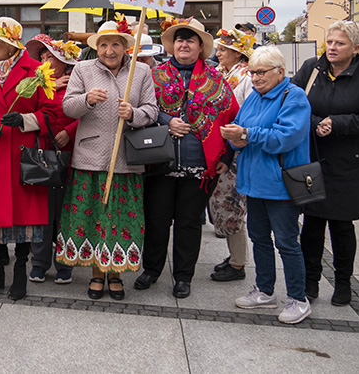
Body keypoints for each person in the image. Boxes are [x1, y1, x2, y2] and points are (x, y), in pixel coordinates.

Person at [136, 18, 238, 299]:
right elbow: (143, 108)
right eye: (179, 39)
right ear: (172, 45)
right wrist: (167, 121)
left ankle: (183, 277)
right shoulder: (153, 76)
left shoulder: (217, 80)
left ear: (200, 48)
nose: (183, 44)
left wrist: (227, 157)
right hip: (159, 162)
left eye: (190, 40)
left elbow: (231, 118)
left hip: (199, 166)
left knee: (189, 223)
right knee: (156, 220)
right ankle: (151, 270)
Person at [55, 21, 157, 300]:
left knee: (120, 220)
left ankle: (116, 274)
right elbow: (68, 107)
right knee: (94, 219)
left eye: (115, 44)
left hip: (125, 158)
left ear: (125, 47)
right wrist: (87, 99)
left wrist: (134, 113)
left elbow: (152, 110)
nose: (109, 50)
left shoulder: (142, 71)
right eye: (103, 44)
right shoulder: (83, 70)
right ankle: (96, 274)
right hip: (90, 158)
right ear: (96, 47)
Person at [222, 46, 312, 324]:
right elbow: (238, 126)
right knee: (259, 238)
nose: (256, 78)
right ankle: (264, 290)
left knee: (286, 242)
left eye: (261, 73)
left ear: (280, 72)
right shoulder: (254, 97)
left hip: (281, 184)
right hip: (253, 181)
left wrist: (247, 134)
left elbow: (286, 137)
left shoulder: (293, 97)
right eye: (252, 73)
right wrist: (233, 138)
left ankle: (298, 298)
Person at [0, 17, 57, 301]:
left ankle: (20, 270)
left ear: (10, 44)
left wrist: (24, 120)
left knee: (24, 218)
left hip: (24, 156)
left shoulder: (35, 71)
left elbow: (50, 114)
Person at [292, 20, 359, 306]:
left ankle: (343, 282)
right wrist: (316, 123)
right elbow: (290, 105)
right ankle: (311, 280)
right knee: (312, 223)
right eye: (330, 42)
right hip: (313, 158)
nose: (332, 48)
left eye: (340, 43)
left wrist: (339, 124)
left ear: (355, 49)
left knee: (342, 226)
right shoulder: (312, 69)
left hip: (348, 163)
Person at [24, 34, 80, 286]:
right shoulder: (36, 83)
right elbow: (23, 111)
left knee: (65, 211)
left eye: (51, 57)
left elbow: (90, 113)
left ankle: (65, 262)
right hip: (41, 154)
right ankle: (39, 262)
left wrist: (69, 132)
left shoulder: (78, 82)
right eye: (42, 57)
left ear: (63, 61)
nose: (45, 61)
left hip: (70, 155)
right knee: (41, 212)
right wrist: (48, 89)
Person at [209, 28, 255, 282]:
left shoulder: (246, 77)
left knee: (231, 206)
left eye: (223, 50)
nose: (218, 53)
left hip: (235, 152)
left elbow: (246, 114)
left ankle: (238, 264)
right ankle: (234, 257)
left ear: (238, 53)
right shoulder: (221, 73)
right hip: (219, 148)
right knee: (220, 205)